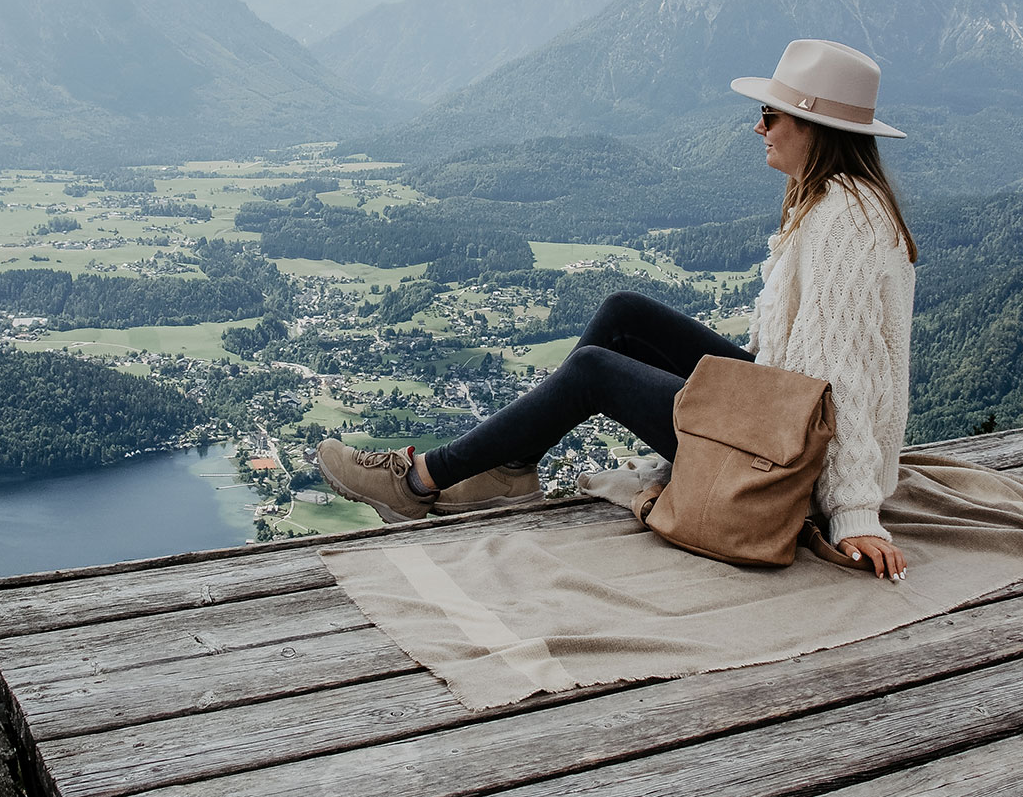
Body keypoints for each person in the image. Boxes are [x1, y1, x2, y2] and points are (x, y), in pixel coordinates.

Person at [316, 38, 916, 582]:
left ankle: (418, 480)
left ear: (811, 126)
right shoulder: (831, 201)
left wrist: (853, 511)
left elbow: (846, 380)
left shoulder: (846, 220)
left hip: (786, 465)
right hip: (780, 421)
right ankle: (511, 469)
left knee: (594, 372)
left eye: (769, 115)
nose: (757, 128)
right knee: (623, 312)